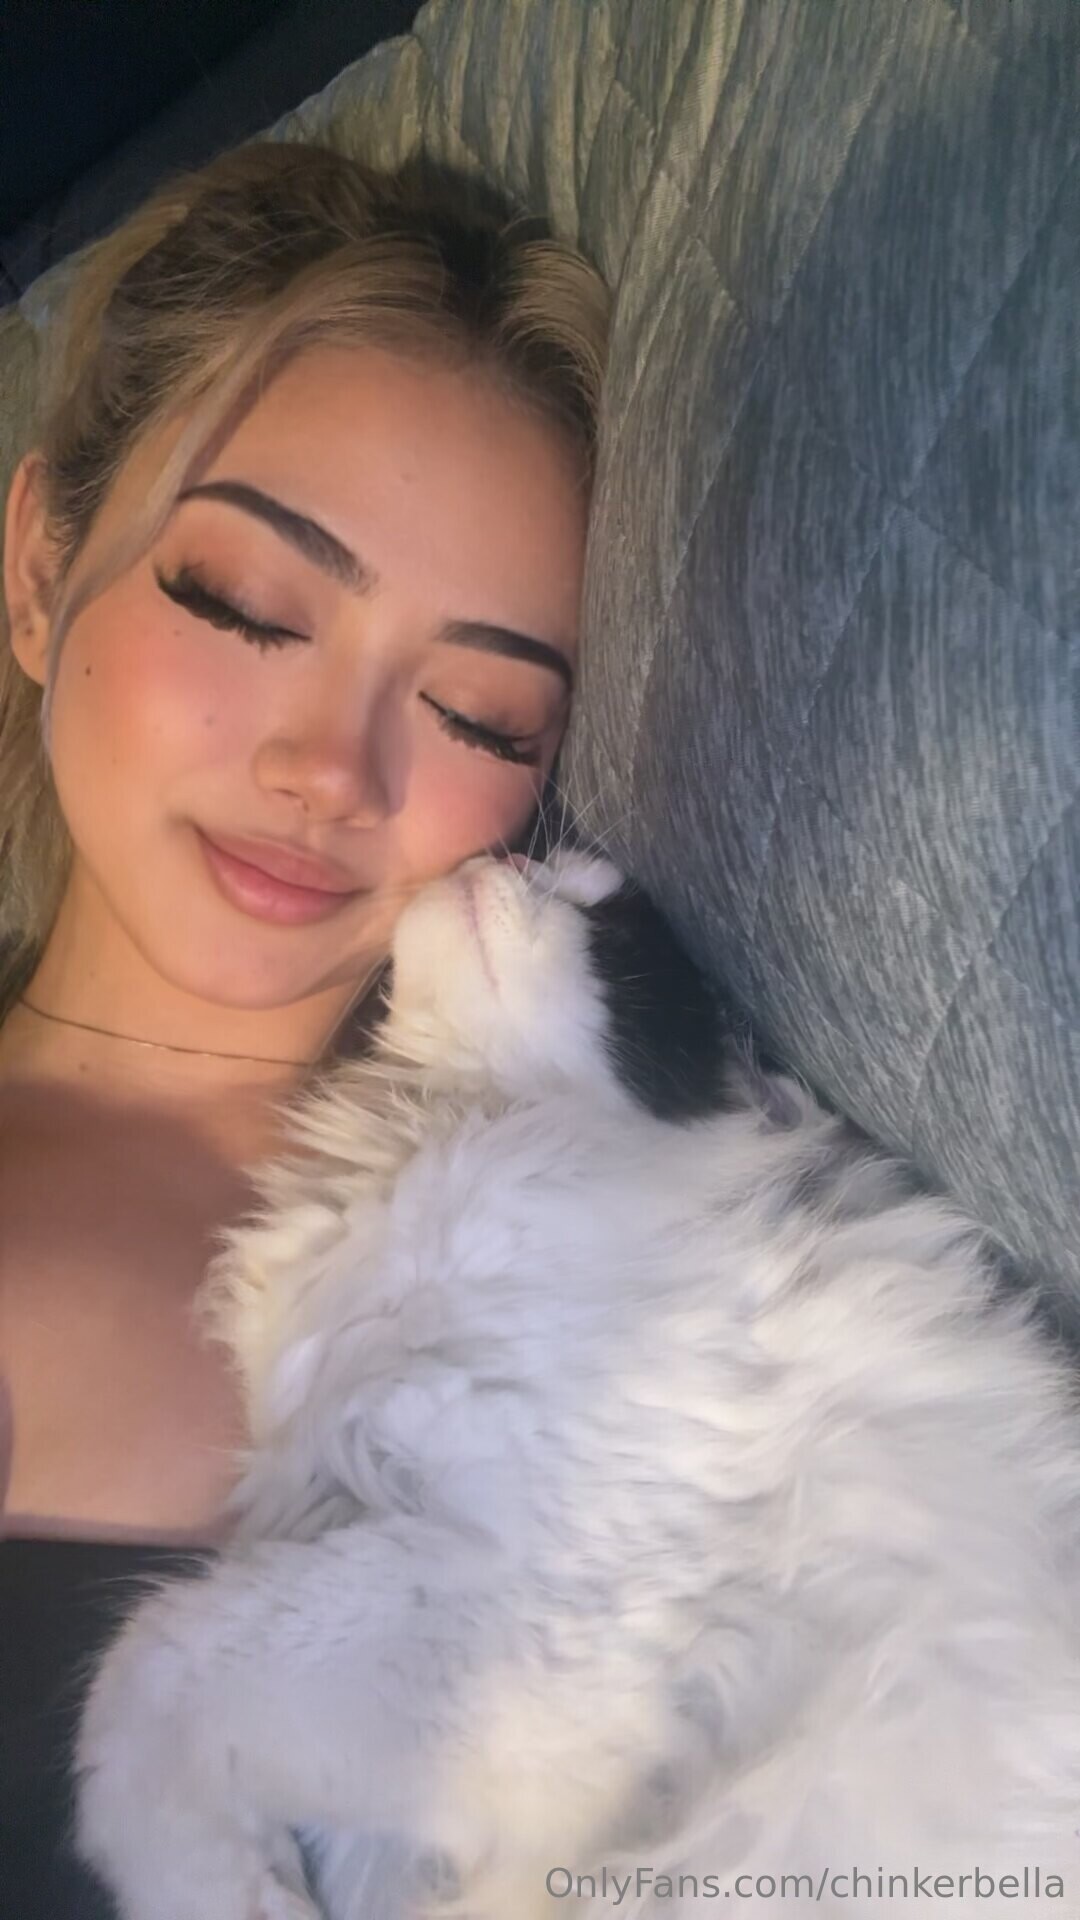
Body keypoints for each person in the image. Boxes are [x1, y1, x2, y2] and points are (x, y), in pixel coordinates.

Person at [0, 140, 610, 1913]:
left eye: (481, 712)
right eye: (250, 606)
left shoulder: (614, 1200)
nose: (333, 771)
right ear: (39, 568)